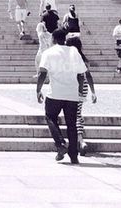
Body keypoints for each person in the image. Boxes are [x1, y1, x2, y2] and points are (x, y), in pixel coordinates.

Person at [36, 28, 91, 165]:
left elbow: (42, 73)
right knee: (71, 124)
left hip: (55, 93)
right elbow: (81, 74)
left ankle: (60, 144)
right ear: (64, 39)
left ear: (53, 39)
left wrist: (38, 90)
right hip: (71, 94)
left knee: (50, 117)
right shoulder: (74, 51)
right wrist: (79, 90)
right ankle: (74, 155)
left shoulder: (48, 52)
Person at [65, 36, 97, 155]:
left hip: (72, 87)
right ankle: (79, 141)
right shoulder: (83, 59)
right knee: (78, 113)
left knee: (74, 114)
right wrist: (93, 91)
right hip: (83, 88)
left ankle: (81, 141)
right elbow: (88, 76)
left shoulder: (68, 58)